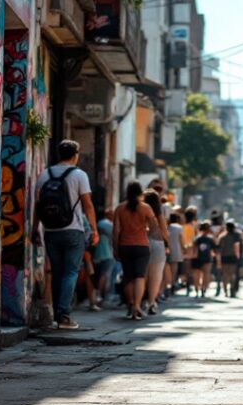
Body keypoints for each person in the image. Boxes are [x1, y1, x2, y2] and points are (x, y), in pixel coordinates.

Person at [32, 140, 98, 330]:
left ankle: (57, 315)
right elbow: (87, 204)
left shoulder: (45, 174)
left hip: (50, 231)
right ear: (75, 155)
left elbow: (38, 205)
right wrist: (94, 230)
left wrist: (35, 229)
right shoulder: (79, 175)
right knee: (71, 272)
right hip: (73, 230)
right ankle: (64, 315)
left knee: (57, 272)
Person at [113, 181, 154, 320]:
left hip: (124, 246)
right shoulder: (145, 208)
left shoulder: (119, 209)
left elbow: (116, 231)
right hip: (142, 245)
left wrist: (115, 248)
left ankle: (130, 304)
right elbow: (155, 227)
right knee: (139, 277)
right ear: (140, 192)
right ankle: (137, 305)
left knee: (128, 277)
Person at [143, 190, 170, 314]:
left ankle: (138, 301)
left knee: (142, 275)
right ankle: (151, 302)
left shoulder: (140, 212)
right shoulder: (160, 216)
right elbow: (165, 234)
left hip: (142, 243)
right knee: (156, 276)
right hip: (158, 244)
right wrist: (167, 245)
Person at [89, 207, 114, 308]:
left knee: (97, 275)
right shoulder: (109, 224)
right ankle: (100, 294)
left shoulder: (98, 223)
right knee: (104, 275)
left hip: (97, 254)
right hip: (107, 253)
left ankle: (97, 295)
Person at [218, 220, 243, 298]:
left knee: (225, 274)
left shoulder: (222, 236)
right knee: (232, 274)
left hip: (224, 257)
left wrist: (218, 260)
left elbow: (219, 249)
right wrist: (238, 257)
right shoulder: (236, 235)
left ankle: (225, 291)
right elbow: (237, 247)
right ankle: (232, 289)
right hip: (233, 257)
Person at [192, 221, 216, 297]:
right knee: (206, 274)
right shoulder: (211, 239)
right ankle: (203, 289)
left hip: (196, 258)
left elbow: (194, 248)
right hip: (206, 258)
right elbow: (213, 250)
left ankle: (197, 289)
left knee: (197, 275)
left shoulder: (196, 238)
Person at [182, 207, 199, 295]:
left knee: (186, 268)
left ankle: (187, 284)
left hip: (183, 248)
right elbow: (196, 238)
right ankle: (189, 284)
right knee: (191, 269)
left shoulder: (182, 225)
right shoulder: (195, 225)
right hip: (191, 248)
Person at [167, 212, 185, 294]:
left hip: (167, 249)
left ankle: (167, 285)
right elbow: (181, 240)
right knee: (174, 270)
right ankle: (172, 285)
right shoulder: (179, 227)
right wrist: (183, 249)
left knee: (166, 269)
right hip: (176, 249)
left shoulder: (167, 226)